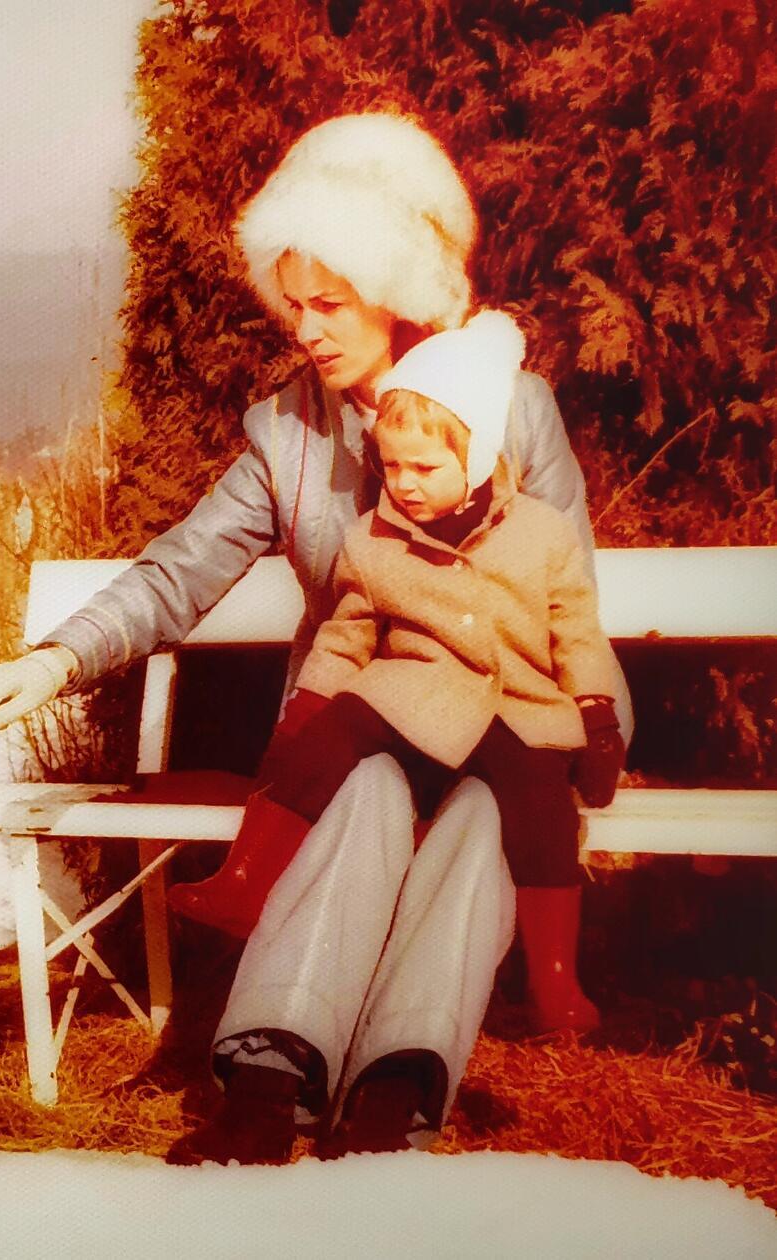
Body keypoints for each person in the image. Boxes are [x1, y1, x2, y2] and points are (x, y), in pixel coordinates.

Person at [0, 112, 633, 1163]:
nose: (306, 329)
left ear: (395, 291)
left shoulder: (509, 411)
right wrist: (55, 656)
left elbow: (567, 596)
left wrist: (589, 737)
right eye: (293, 304)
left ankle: (395, 1085)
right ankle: (268, 1073)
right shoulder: (285, 433)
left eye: (330, 303)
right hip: (356, 723)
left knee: (477, 818)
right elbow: (177, 571)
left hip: (504, 716)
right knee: (359, 788)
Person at [164, 310, 626, 1045]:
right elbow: (346, 636)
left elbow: (575, 629)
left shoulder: (539, 533)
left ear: (474, 460)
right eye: (392, 466)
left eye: (425, 468)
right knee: (333, 730)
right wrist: (307, 709)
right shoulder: (372, 540)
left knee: (544, 815)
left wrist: (596, 715)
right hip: (415, 698)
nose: (404, 485)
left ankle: (555, 983)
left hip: (518, 709)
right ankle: (248, 879)